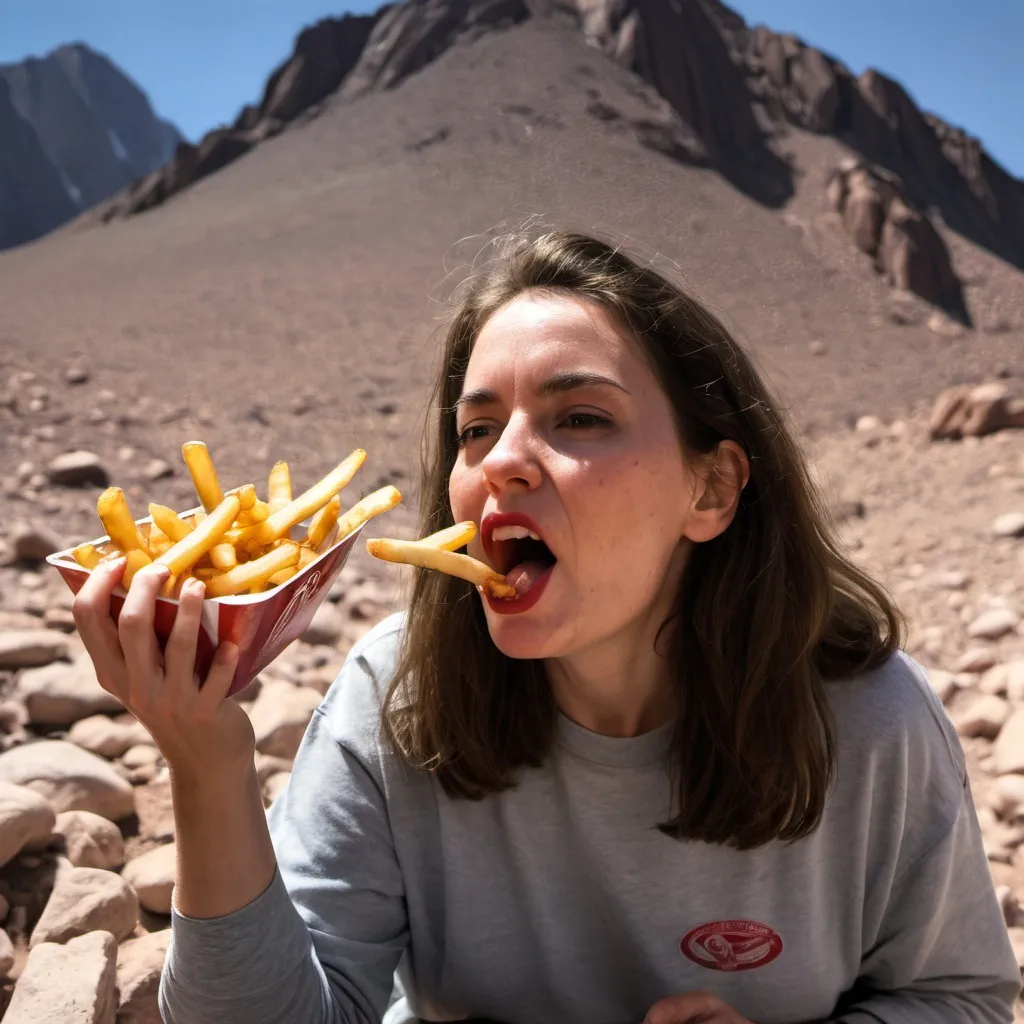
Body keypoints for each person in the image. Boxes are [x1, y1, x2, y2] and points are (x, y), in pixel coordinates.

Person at [72, 230, 1020, 1024]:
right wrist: (205, 764)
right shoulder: (397, 696)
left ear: (713, 486)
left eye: (580, 418)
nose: (502, 463)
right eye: (477, 430)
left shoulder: (867, 722)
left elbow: (965, 997)